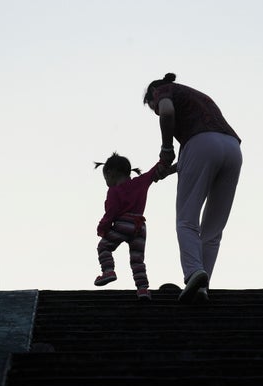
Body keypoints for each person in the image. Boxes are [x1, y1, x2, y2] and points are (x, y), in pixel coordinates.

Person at [143, 73, 242, 304]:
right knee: (214, 229)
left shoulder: (162, 90)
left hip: (198, 144)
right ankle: (201, 288)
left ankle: (193, 273)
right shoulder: (198, 96)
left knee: (187, 220)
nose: (155, 111)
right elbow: (210, 147)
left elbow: (167, 112)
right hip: (232, 149)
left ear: (151, 96)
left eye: (152, 108)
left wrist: (167, 149)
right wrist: (172, 169)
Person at [94, 152, 161, 301]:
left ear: (110, 173)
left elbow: (111, 212)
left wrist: (102, 228)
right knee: (137, 259)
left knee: (103, 247)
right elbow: (154, 172)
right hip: (140, 226)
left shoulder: (114, 191)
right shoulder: (141, 181)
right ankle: (143, 289)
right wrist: (166, 162)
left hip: (124, 222)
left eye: (105, 178)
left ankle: (108, 271)